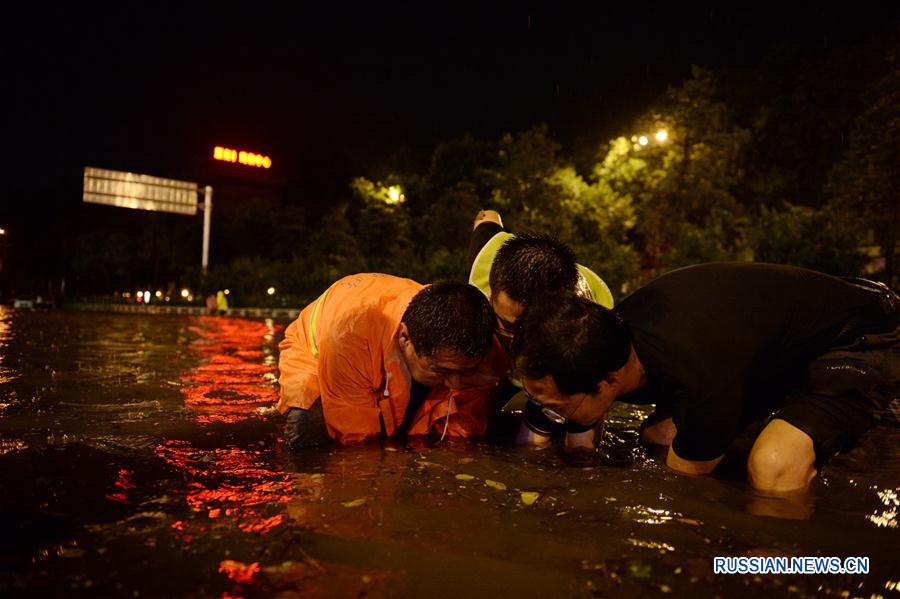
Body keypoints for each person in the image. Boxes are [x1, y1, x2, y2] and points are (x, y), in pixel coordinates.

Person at [513, 262, 899, 493]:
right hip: (772, 350)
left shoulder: (697, 371)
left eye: (555, 406)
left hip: (863, 336)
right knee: (658, 438)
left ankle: (785, 572)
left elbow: (682, 491)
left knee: (773, 465)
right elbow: (583, 429)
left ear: (607, 381)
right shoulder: (602, 341)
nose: (552, 414)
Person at [277, 273, 505, 447]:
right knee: (306, 425)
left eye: (465, 372)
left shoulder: (479, 342)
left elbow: (463, 431)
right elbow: (356, 441)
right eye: (442, 371)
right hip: (318, 349)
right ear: (405, 337)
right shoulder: (350, 336)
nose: (455, 383)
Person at [467, 209, 614, 448]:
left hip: (565, 351)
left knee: (576, 440)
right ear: (492, 294)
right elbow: (487, 217)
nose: (518, 342)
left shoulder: (594, 312)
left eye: (529, 331)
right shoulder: (484, 261)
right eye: (509, 326)